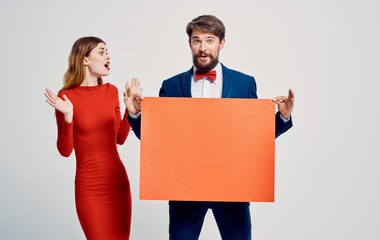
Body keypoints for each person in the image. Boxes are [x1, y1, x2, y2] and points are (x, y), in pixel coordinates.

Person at [128, 15, 294, 240]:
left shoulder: (245, 83)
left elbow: (255, 138)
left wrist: (281, 118)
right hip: (184, 189)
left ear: (221, 43)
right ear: (189, 44)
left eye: (209, 40)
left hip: (232, 188)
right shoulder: (171, 86)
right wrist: (135, 114)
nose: (203, 48)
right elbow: (156, 143)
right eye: (197, 41)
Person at [44, 36, 142, 239]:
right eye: (101, 51)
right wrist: (69, 117)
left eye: (107, 52)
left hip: (117, 182)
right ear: (85, 59)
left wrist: (130, 110)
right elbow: (65, 151)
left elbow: (120, 138)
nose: (108, 56)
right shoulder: (66, 97)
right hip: (89, 187)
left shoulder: (111, 91)